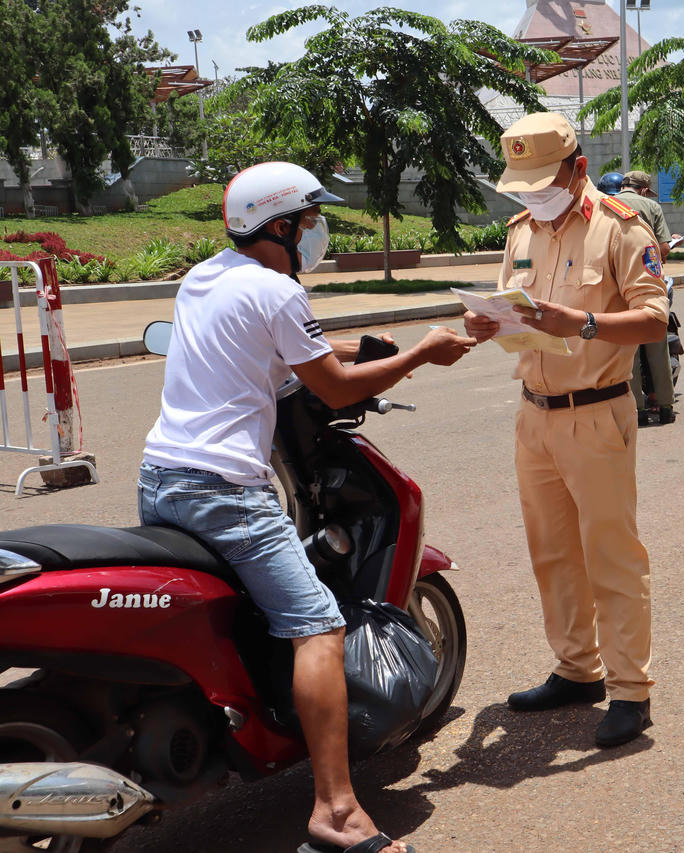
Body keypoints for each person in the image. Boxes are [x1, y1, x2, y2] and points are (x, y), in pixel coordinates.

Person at [138, 161, 475, 853]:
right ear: (283, 225)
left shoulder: (202, 278)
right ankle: (337, 814)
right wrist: (419, 354)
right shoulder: (276, 291)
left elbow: (289, 352)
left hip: (161, 477)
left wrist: (370, 345)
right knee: (317, 626)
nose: (318, 235)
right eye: (312, 222)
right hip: (225, 490)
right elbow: (338, 388)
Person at [463, 112, 669, 748]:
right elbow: (517, 306)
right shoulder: (521, 230)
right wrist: (489, 323)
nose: (531, 197)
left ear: (577, 168)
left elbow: (655, 322)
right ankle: (577, 669)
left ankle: (630, 690)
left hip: (598, 411)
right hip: (535, 415)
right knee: (552, 554)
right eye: (521, 186)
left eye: (542, 183)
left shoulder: (621, 229)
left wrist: (578, 323)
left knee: (611, 554)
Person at [616, 170, 680, 425]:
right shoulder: (651, 206)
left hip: (617, 284)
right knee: (657, 344)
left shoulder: (603, 205)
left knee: (628, 347)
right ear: (643, 189)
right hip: (647, 282)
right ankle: (665, 405)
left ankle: (638, 409)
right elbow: (662, 248)